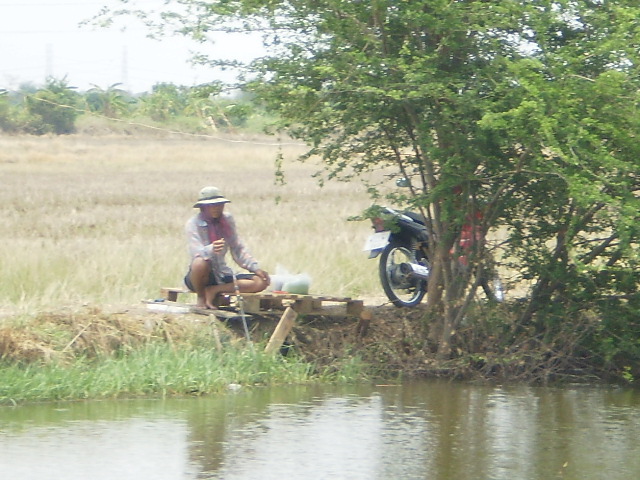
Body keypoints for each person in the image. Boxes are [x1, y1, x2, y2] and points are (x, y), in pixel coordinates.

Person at [184, 186, 270, 309]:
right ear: (203, 208)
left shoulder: (227, 220)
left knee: (261, 282)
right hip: (202, 276)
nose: (216, 209)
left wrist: (255, 268)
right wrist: (211, 249)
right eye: (212, 206)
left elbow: (237, 248)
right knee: (199, 263)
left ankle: (214, 290)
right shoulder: (193, 224)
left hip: (222, 274)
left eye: (219, 205)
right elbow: (196, 252)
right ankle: (201, 297)